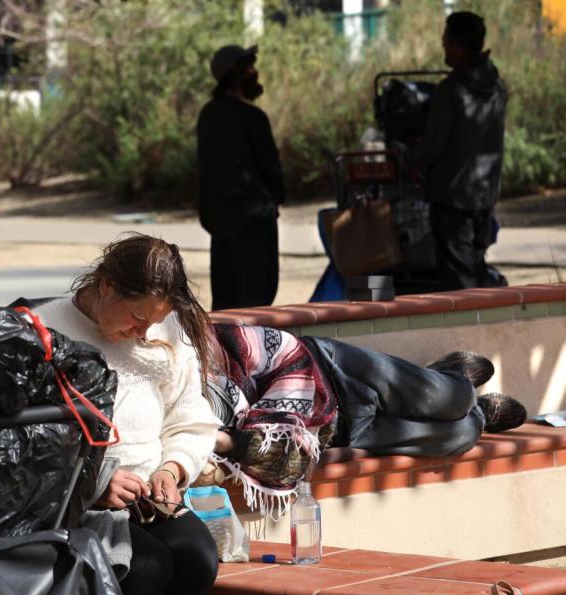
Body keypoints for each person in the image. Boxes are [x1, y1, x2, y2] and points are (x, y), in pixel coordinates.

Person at [34, 234, 220, 595]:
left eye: (155, 321)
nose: (145, 332)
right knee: (146, 570)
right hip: (74, 503)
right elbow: (29, 442)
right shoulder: (47, 331)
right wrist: (95, 483)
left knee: (197, 560)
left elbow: (189, 415)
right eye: (137, 317)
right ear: (106, 287)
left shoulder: (165, 329)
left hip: (148, 497)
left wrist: (172, 470)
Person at [204, 324, 527, 510]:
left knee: (452, 400)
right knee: (461, 437)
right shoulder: (183, 426)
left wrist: (222, 439)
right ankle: (480, 413)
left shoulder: (192, 350)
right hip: (336, 432)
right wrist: (219, 440)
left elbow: (274, 352)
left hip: (327, 371)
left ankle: (455, 379)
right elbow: (279, 459)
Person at [406, 11, 508, 290]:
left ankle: (466, 330)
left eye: (446, 41)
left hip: (453, 200)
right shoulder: (497, 87)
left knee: (459, 279)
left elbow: (432, 149)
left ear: (457, 46)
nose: (443, 47)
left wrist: (406, 158)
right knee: (474, 266)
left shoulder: (451, 91)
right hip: (485, 197)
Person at [197, 45, 285, 311]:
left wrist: (209, 216)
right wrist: (276, 198)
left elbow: (203, 172)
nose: (254, 72)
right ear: (236, 74)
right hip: (255, 221)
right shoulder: (253, 118)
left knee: (226, 303)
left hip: (221, 221)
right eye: (249, 66)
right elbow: (272, 170)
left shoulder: (208, 115)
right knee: (257, 302)